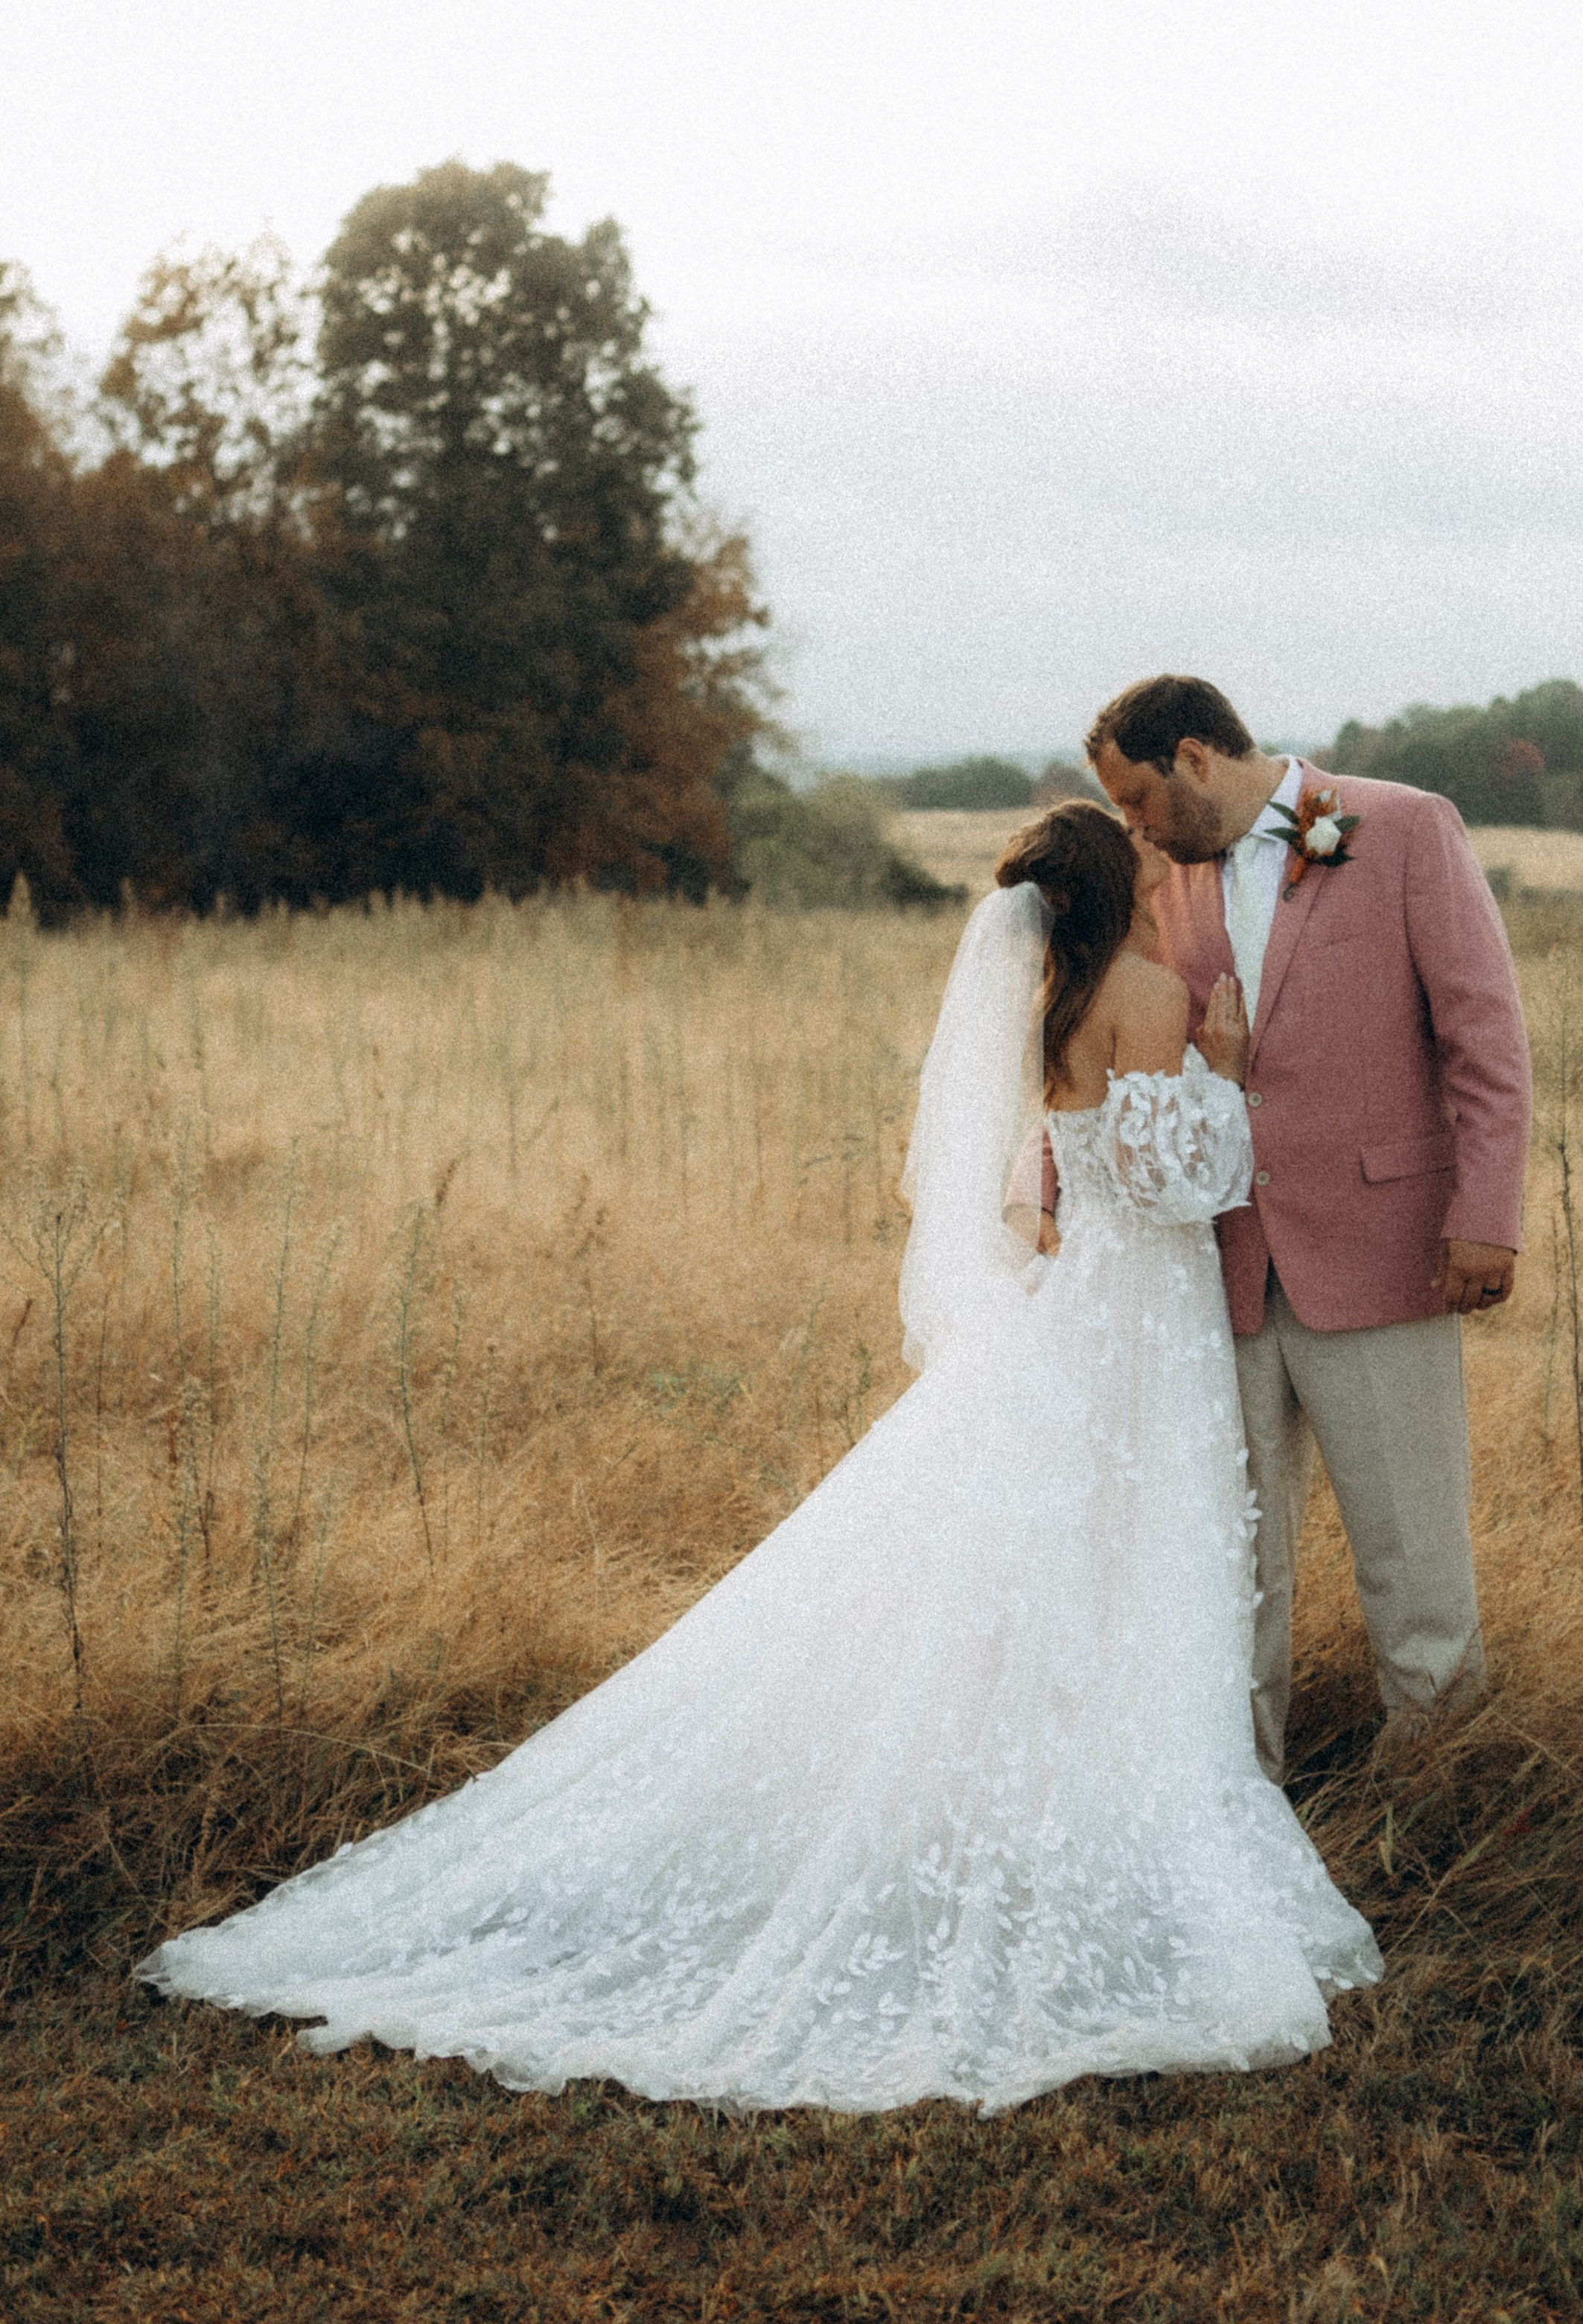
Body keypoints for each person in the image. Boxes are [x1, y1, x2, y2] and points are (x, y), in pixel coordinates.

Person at [139, 802, 1379, 2114]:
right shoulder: (1150, 992)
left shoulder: (1057, 1003)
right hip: (1142, 1318)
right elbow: (1173, 1178)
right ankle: (1116, 1806)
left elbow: (1073, 1160)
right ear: (1107, 886)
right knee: (1144, 1547)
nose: (1151, 869)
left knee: (1061, 1548)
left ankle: (1036, 1792)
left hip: (1085, 1314)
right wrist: (1228, 1075)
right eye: (1133, 860)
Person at [1021, 679, 1532, 1784]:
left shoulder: (1403, 827)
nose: (1133, 832)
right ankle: (1238, 1810)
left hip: (1388, 1255)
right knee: (1231, 1568)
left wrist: (1486, 1215)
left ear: (1195, 758)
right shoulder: (1167, 883)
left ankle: (1439, 1811)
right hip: (1217, 1276)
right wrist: (1050, 1187)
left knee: (1414, 1562)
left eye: (1138, 801)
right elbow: (1087, 1034)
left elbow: (1486, 1036)